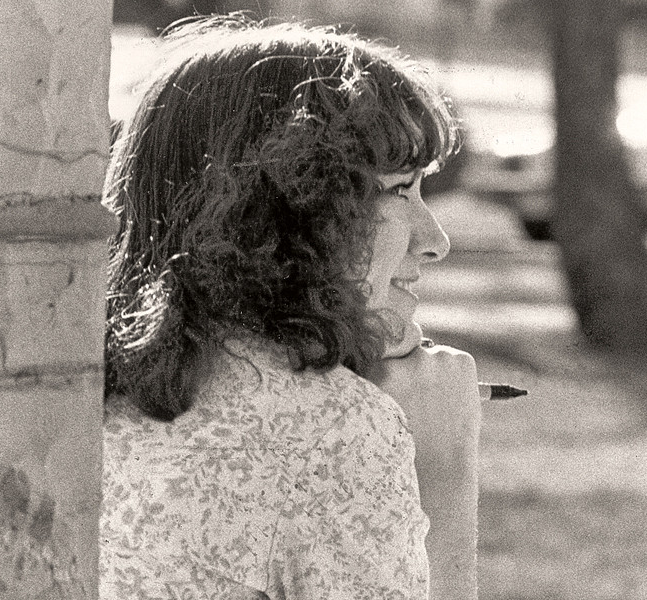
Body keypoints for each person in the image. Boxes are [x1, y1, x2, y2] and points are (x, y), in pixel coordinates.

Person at [101, 14, 480, 599]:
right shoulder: (333, 432)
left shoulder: (86, 393)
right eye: (400, 189)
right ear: (291, 204)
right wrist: (447, 462)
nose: (436, 240)